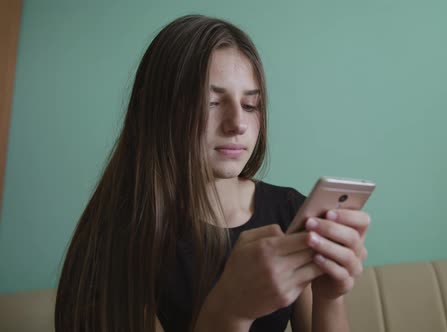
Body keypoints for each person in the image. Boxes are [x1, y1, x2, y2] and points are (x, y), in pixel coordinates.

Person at [55, 14, 371, 332]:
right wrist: (228, 310)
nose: (238, 123)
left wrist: (330, 297)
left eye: (250, 105)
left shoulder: (289, 210)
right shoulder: (116, 237)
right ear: (160, 110)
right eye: (211, 102)